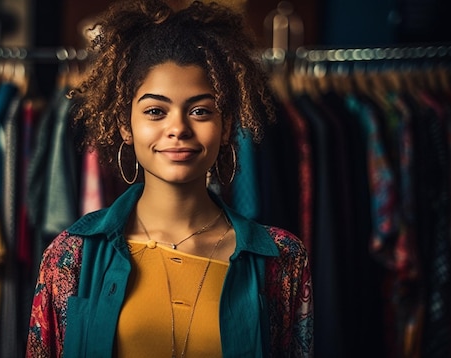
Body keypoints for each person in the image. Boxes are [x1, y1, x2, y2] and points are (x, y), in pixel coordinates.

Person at [26, 0, 313, 356]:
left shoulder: (281, 260)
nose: (178, 128)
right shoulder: (71, 256)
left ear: (226, 126)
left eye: (200, 110)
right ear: (124, 125)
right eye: (155, 111)